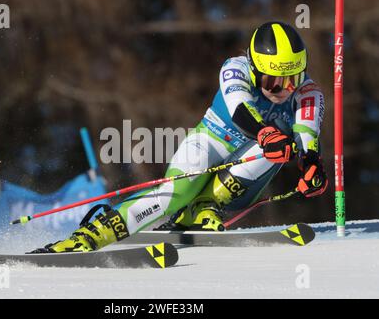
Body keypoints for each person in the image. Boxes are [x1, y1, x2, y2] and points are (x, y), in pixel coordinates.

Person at [33, 21, 328, 253]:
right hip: (210, 141)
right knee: (176, 195)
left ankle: (204, 209)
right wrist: (265, 133)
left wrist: (311, 166)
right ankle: (93, 234)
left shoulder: (309, 93)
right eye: (274, 81)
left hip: (247, 172)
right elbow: (240, 109)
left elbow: (307, 136)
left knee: (280, 147)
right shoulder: (234, 68)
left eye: (294, 78)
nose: (285, 89)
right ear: (254, 68)